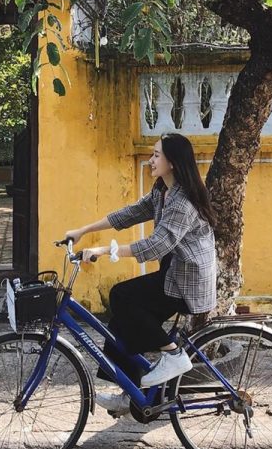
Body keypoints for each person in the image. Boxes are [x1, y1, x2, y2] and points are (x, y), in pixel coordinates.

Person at [63, 133, 217, 417]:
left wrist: (104, 249)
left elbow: (157, 244)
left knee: (122, 297)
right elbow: (130, 213)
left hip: (187, 283)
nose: (151, 160)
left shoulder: (182, 201)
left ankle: (173, 354)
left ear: (173, 162)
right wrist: (84, 231)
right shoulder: (163, 191)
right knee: (123, 315)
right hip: (173, 274)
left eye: (157, 155)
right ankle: (131, 392)